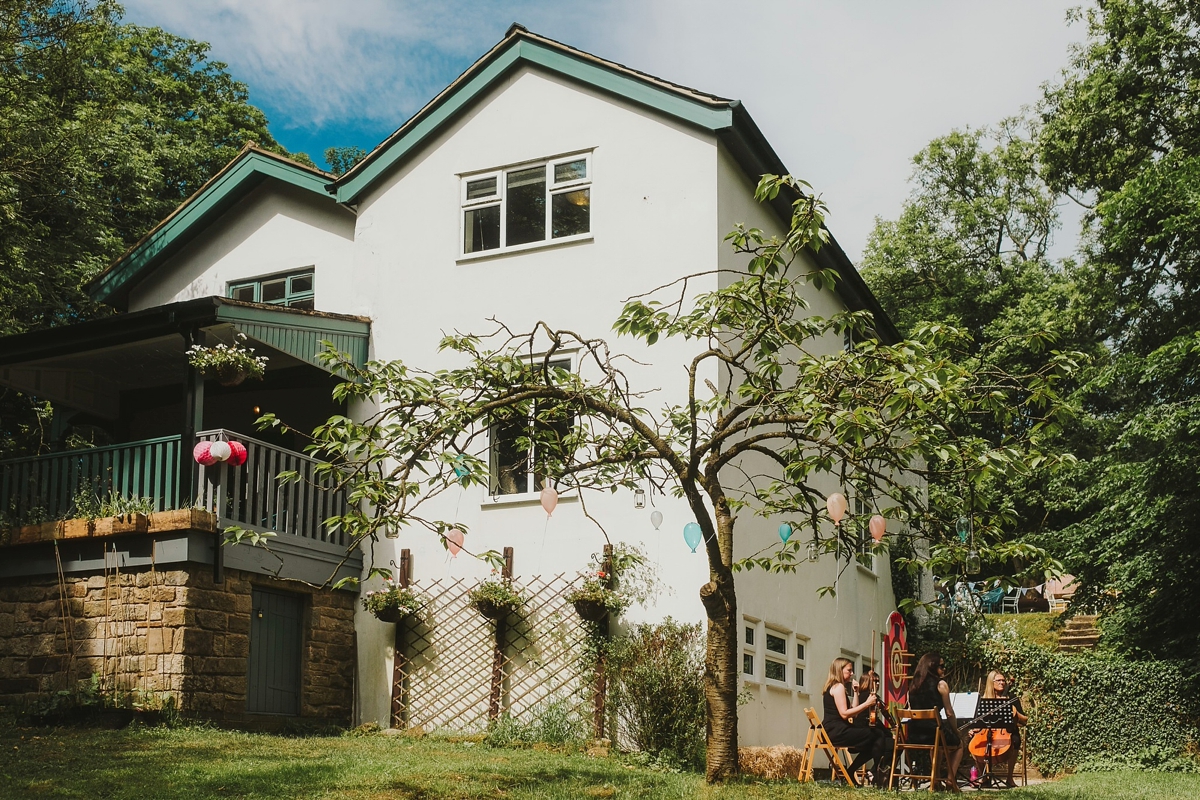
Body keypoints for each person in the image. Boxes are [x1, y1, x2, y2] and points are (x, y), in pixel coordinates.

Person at [821, 658, 893, 787]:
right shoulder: (838, 687)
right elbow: (844, 714)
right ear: (839, 670)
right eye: (849, 670)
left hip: (833, 730)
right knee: (877, 736)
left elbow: (854, 712)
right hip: (836, 731)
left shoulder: (835, 686)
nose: (852, 673)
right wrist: (866, 704)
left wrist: (856, 693)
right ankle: (877, 775)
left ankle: (858, 772)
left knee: (876, 737)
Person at [906, 652, 963, 791]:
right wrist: (956, 731)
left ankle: (935, 781)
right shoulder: (941, 684)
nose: (944, 669)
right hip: (933, 733)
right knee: (960, 744)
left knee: (938, 744)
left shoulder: (912, 686)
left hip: (914, 735)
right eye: (941, 666)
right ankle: (950, 780)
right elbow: (949, 713)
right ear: (933, 667)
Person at [973, 670, 1028, 787]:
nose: (1002, 683)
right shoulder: (985, 699)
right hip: (988, 731)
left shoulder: (1012, 698)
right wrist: (975, 729)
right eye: (998, 680)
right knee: (974, 742)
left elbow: (1025, 720)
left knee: (1016, 739)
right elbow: (979, 720)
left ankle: (1009, 778)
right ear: (991, 682)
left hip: (1007, 732)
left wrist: (1015, 712)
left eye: (1003, 680)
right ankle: (985, 777)